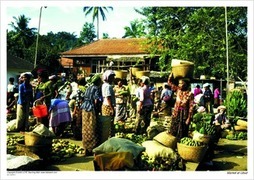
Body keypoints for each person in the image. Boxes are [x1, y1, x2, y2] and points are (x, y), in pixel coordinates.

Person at [167, 73, 194, 141]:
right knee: (173, 128)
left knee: (183, 130)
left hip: (184, 114)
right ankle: (173, 142)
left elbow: (191, 107)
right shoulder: (178, 90)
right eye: (179, 83)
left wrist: (189, 118)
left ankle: (180, 145)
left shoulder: (190, 94)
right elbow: (170, 83)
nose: (179, 85)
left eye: (181, 83)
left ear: (185, 84)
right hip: (176, 112)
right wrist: (171, 75)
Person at [80, 73, 102, 155]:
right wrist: (97, 109)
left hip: (84, 108)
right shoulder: (96, 88)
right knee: (92, 127)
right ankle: (92, 148)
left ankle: (86, 148)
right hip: (91, 108)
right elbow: (96, 100)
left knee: (85, 128)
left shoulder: (88, 87)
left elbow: (83, 97)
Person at [101, 70, 116, 136]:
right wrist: (112, 108)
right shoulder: (108, 86)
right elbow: (108, 97)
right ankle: (109, 136)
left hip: (105, 105)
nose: (113, 78)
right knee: (109, 122)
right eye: (112, 77)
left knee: (107, 122)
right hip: (108, 106)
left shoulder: (104, 85)